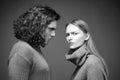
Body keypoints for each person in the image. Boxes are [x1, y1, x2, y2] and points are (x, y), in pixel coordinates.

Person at [8, 5, 60, 80]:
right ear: (38, 27)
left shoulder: (34, 48)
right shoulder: (21, 49)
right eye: (51, 29)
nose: (53, 34)